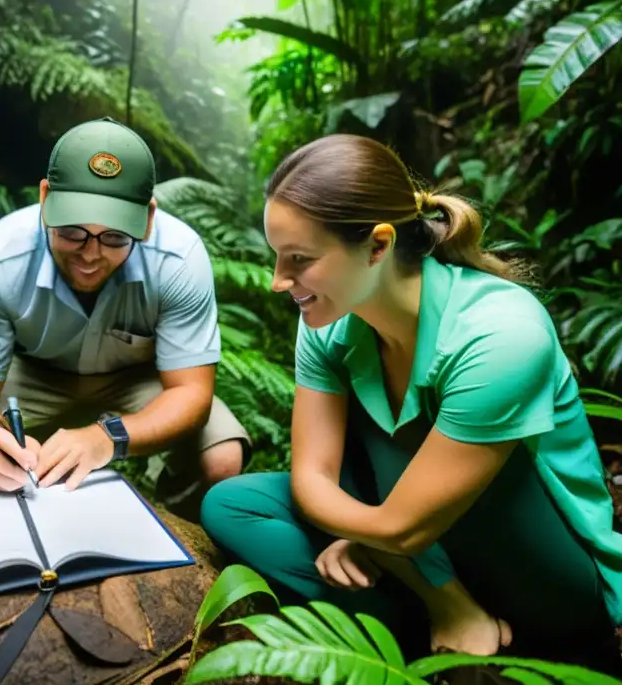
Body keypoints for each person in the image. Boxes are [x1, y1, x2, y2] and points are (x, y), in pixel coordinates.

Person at [200, 134, 622, 672]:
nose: (279, 281)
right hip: (418, 549)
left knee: (391, 494)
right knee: (234, 506)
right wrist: (403, 557)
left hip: (539, 567)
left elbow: (402, 527)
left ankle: (443, 622)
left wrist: (365, 534)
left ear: (377, 246)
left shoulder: (499, 334)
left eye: (299, 260)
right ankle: (440, 623)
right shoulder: (326, 321)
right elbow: (311, 482)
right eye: (277, 257)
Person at [0, 116, 249, 516]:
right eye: (71, 231)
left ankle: (173, 530)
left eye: (115, 237)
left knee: (223, 457)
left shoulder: (178, 260)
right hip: (31, 378)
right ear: (45, 198)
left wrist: (108, 438)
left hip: (135, 384)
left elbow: (191, 394)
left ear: (148, 218)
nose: (90, 253)